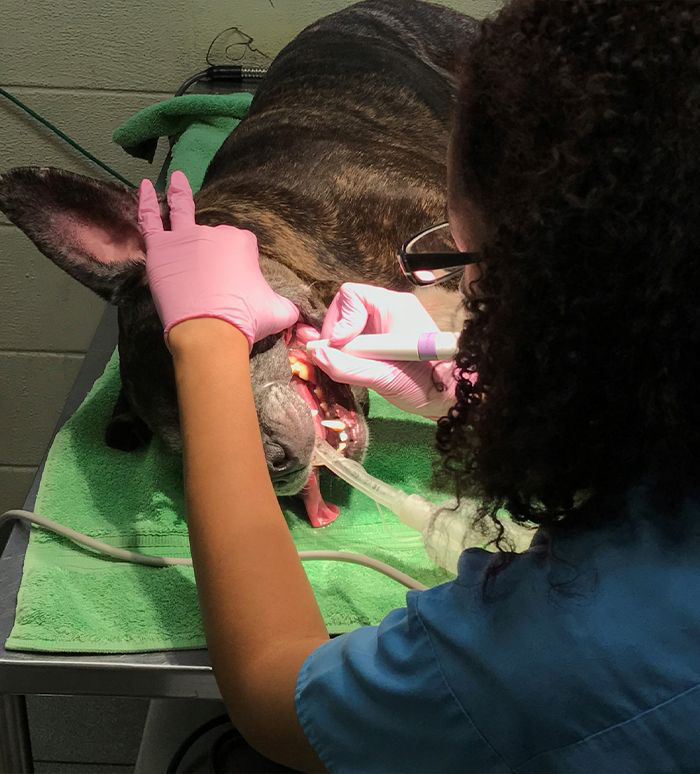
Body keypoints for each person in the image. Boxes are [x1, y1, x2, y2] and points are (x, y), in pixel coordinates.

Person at [136, 0, 700, 771]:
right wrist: (477, 378)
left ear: (568, 291)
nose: (455, 284)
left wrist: (204, 339)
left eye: (466, 265)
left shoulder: (565, 646)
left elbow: (275, 695)